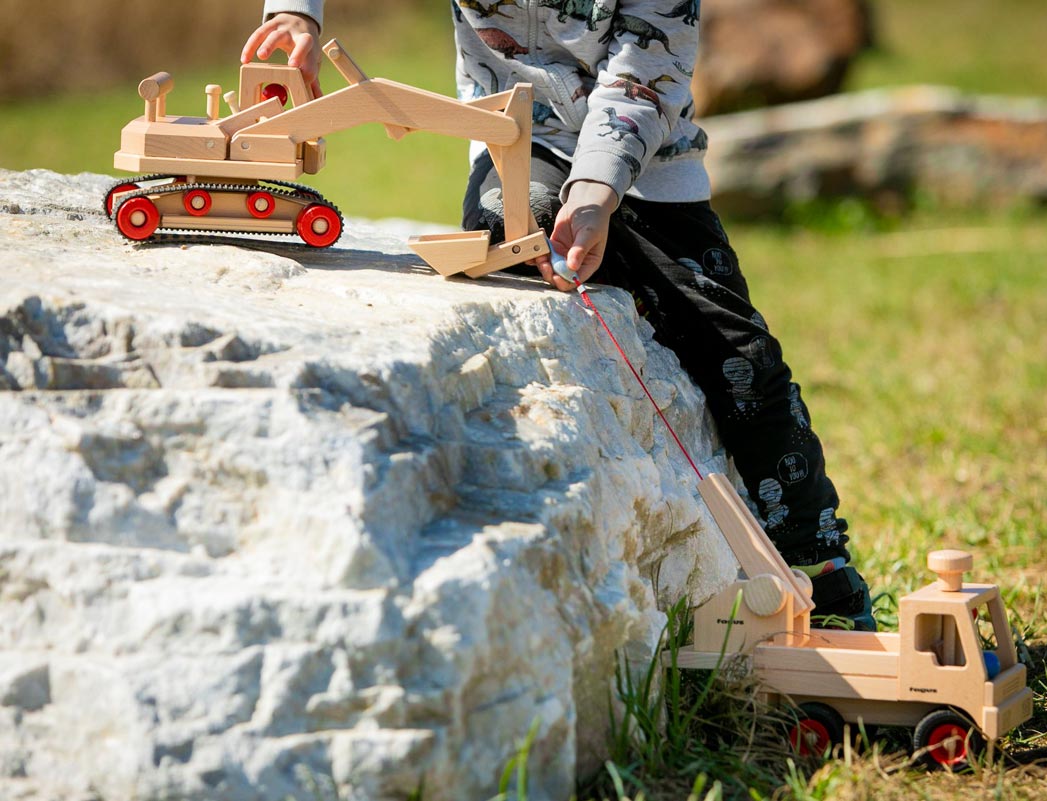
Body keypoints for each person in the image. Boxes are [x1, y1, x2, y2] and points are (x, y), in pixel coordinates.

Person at [244, 1, 876, 630]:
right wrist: (298, 14)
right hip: (524, 144)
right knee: (508, 225)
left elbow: (645, 69)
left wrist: (599, 187)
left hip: (652, 161)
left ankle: (821, 569)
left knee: (745, 361)